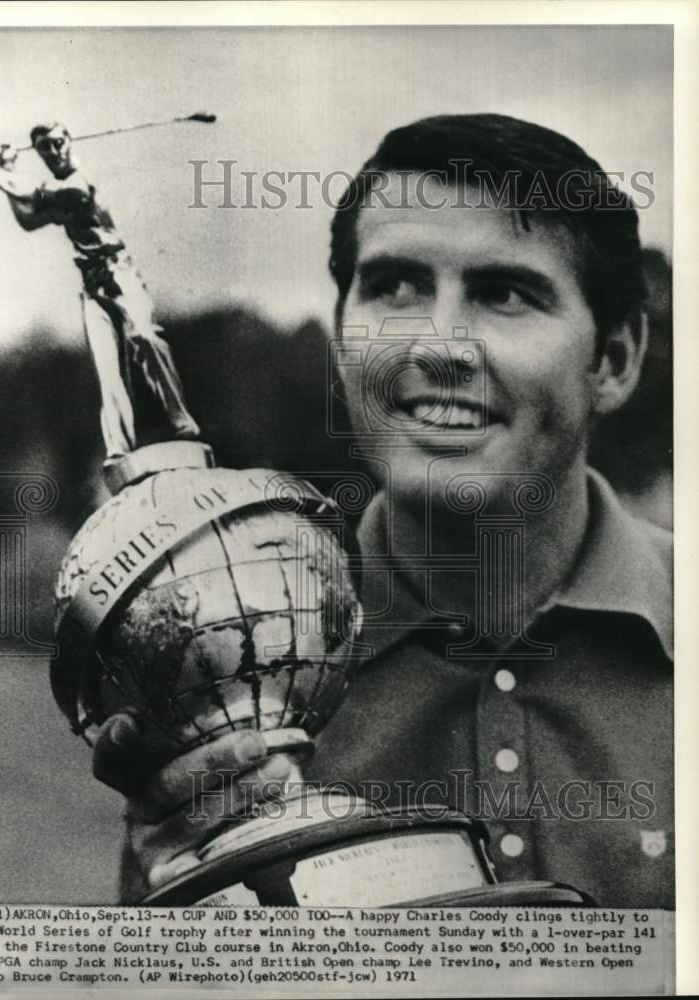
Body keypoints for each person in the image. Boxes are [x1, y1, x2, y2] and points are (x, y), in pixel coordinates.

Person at [90, 114, 673, 908]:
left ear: (614, 361)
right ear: (340, 341)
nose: (436, 346)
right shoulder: (226, 664)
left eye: (504, 293)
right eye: (395, 286)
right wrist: (169, 925)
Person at [0, 122, 200, 459]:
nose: (53, 153)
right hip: (91, 286)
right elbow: (28, 219)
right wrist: (5, 172)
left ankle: (182, 421)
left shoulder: (78, 187)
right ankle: (119, 449)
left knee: (145, 337)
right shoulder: (57, 193)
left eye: (56, 143)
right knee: (108, 370)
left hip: (119, 275)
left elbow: (27, 193)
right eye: (44, 148)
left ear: (69, 141)